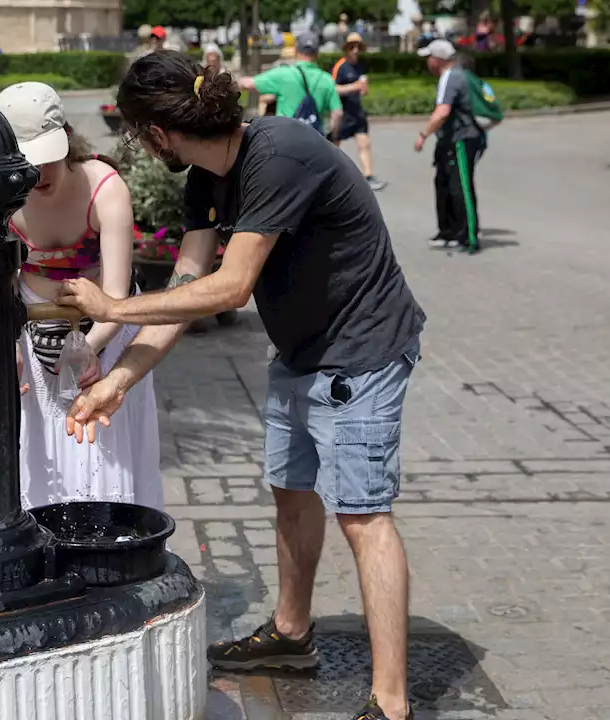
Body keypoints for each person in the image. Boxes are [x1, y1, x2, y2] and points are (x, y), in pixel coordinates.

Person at [55, 50, 424, 720]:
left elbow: (232, 286)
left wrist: (111, 310)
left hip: (364, 350)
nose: (140, 145)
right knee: (291, 493)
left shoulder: (279, 152)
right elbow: (189, 289)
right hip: (302, 351)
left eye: (138, 135)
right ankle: (290, 635)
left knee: (363, 516)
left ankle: (393, 702)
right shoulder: (207, 177)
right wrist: (121, 382)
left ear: (158, 135)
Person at [0, 81, 162, 511]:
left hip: (104, 333)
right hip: (30, 333)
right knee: (39, 449)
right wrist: (7, 342)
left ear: (66, 139)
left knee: (101, 450)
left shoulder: (105, 189)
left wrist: (88, 348)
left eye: (48, 158)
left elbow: (117, 298)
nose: (39, 174)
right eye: (26, 162)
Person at [413, 40, 482, 253]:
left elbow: (442, 111)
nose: (427, 63)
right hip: (449, 140)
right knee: (444, 184)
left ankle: (468, 236)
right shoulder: (450, 76)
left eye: (428, 58)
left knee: (460, 187)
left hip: (461, 139)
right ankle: (448, 232)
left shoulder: (452, 77)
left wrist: (423, 135)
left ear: (437, 60)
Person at [238, 31, 342, 141]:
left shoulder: (284, 74)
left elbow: (247, 83)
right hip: (315, 141)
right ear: (317, 53)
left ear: (296, 50)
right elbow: (338, 113)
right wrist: (333, 138)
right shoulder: (326, 79)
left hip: (285, 140)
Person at [331, 33, 385, 191]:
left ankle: (368, 176)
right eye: (351, 47)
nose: (355, 50)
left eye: (357, 47)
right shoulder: (340, 66)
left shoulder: (360, 66)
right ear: (346, 49)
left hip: (357, 111)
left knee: (364, 143)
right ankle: (330, 175)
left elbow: (362, 85)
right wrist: (353, 87)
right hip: (342, 112)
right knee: (334, 146)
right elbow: (332, 89)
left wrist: (363, 89)